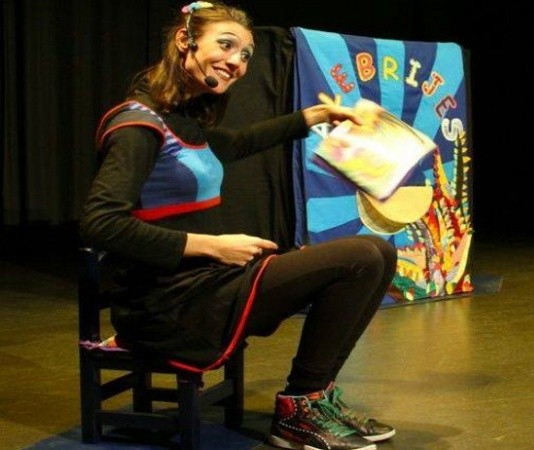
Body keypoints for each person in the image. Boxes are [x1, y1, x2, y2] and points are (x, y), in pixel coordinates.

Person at [79, 2, 397, 449]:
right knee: (360, 256)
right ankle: (297, 411)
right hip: (166, 304)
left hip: (202, 285)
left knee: (379, 252)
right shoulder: (137, 125)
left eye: (245, 54)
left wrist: (317, 117)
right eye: (226, 45)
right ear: (185, 41)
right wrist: (210, 245)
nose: (237, 62)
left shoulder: (181, 121)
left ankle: (315, 396)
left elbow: (243, 141)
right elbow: (99, 223)